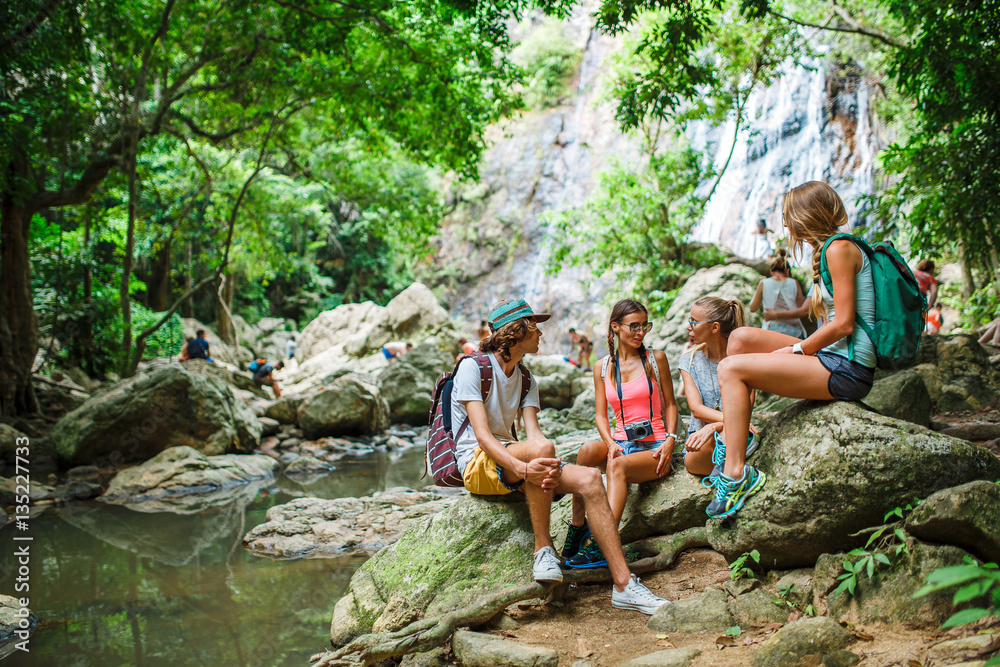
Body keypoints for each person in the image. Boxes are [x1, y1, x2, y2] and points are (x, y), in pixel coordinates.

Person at [453, 298, 668, 614]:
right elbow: (483, 437)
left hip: (515, 460)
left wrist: (540, 467)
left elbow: (535, 435)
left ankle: (624, 584)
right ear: (517, 330)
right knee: (542, 452)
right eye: (535, 327)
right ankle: (543, 549)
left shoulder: (526, 378)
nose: (540, 334)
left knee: (591, 479)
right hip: (477, 463)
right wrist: (524, 468)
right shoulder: (472, 367)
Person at [710, 181, 878, 520]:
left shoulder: (839, 249)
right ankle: (739, 436)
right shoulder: (832, 248)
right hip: (831, 355)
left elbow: (844, 324)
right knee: (740, 338)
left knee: (729, 369)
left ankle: (736, 473)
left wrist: (798, 350)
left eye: (789, 217)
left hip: (847, 368)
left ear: (806, 215)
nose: (786, 225)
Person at [563, 299, 679, 569]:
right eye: (634, 326)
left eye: (644, 326)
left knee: (616, 467)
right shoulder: (602, 368)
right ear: (616, 327)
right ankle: (578, 526)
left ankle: (604, 545)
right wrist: (611, 442)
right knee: (586, 452)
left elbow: (671, 404)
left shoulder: (655, 358)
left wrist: (671, 440)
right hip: (621, 444)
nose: (641, 332)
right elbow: (601, 416)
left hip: (655, 447)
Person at [678, 297, 759, 479]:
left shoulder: (744, 360)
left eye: (694, 321)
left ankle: (730, 472)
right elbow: (696, 409)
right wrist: (722, 425)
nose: (688, 326)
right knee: (709, 446)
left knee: (725, 435)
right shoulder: (688, 361)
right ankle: (732, 470)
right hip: (700, 446)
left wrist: (715, 426)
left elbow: (747, 405)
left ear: (715, 327)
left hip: (733, 435)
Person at [749, 249, 807, 339]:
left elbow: (752, 308)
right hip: (793, 331)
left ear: (772, 272)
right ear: (788, 271)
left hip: (771, 330)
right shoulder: (794, 282)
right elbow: (802, 307)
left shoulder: (764, 283)